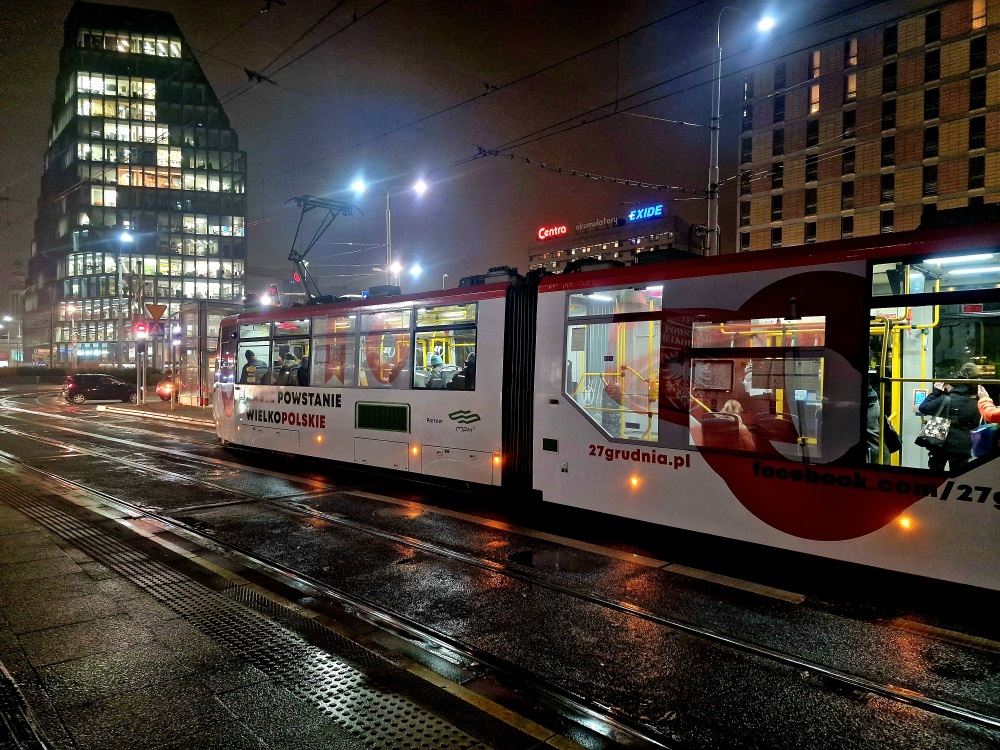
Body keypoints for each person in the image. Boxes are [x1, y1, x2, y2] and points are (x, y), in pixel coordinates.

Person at [918, 364, 980, 471]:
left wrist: (937, 391)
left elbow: (923, 408)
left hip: (940, 444)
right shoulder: (976, 404)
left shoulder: (945, 399)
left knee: (936, 476)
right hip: (962, 447)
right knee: (958, 478)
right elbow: (975, 424)